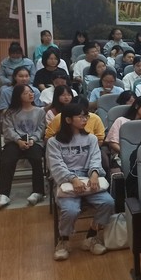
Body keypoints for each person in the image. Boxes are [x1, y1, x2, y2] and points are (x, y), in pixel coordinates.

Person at [46, 104, 115, 261]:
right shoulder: (54, 142)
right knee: (71, 210)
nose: (85, 119)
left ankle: (91, 235)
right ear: (68, 120)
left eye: (86, 116)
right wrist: (73, 178)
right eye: (81, 117)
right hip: (66, 180)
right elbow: (56, 165)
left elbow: (95, 158)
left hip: (89, 176)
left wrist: (95, 174)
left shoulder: (91, 138)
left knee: (108, 202)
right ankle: (64, 240)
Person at [0, 84, 47, 209]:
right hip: (14, 142)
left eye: (31, 92)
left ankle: (38, 192)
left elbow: (41, 128)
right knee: (7, 160)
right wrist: (18, 140)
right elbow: (8, 129)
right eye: (26, 93)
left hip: (33, 141)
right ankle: (3, 194)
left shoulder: (40, 111)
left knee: (36, 158)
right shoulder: (10, 112)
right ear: (18, 96)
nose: (30, 94)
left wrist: (33, 139)